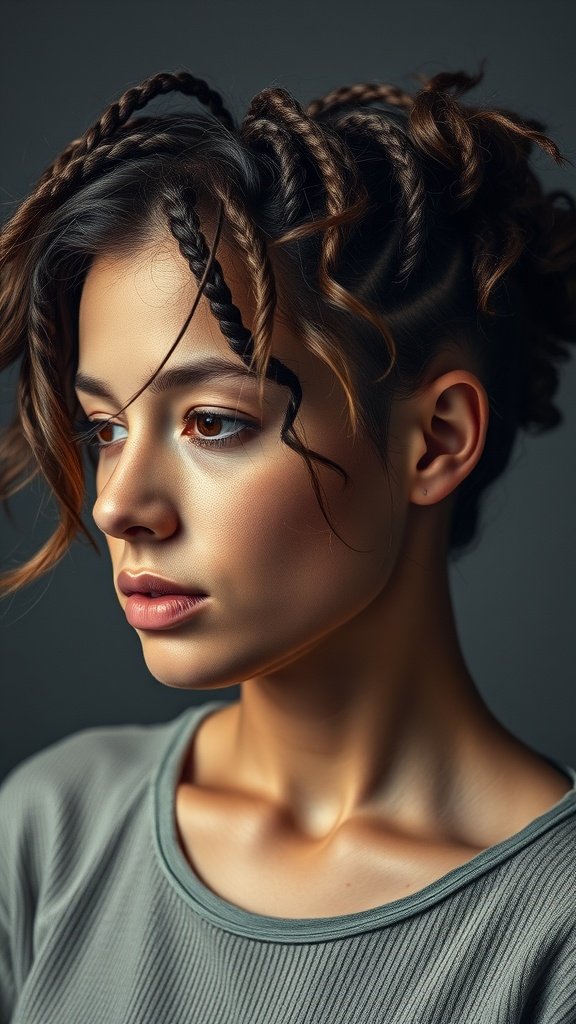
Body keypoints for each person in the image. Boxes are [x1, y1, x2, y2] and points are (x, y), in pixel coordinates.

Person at [0, 59, 575, 1024]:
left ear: (434, 441)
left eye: (214, 423)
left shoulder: (552, 939)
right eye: (105, 430)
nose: (117, 505)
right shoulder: (51, 830)